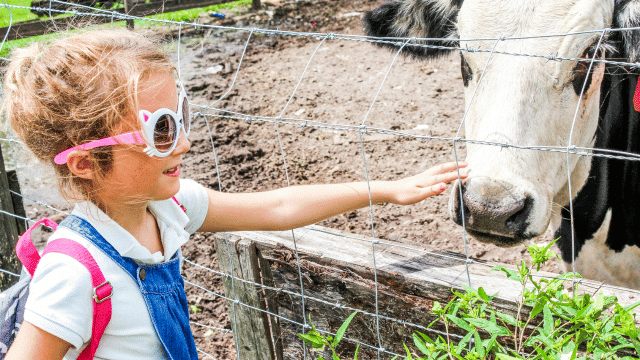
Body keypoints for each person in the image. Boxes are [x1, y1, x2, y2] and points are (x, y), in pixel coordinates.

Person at [2, 28, 468, 360]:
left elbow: (277, 207)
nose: (184, 141)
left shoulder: (168, 208)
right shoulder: (73, 274)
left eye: (180, 115)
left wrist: (386, 190)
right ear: (85, 163)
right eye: (161, 130)